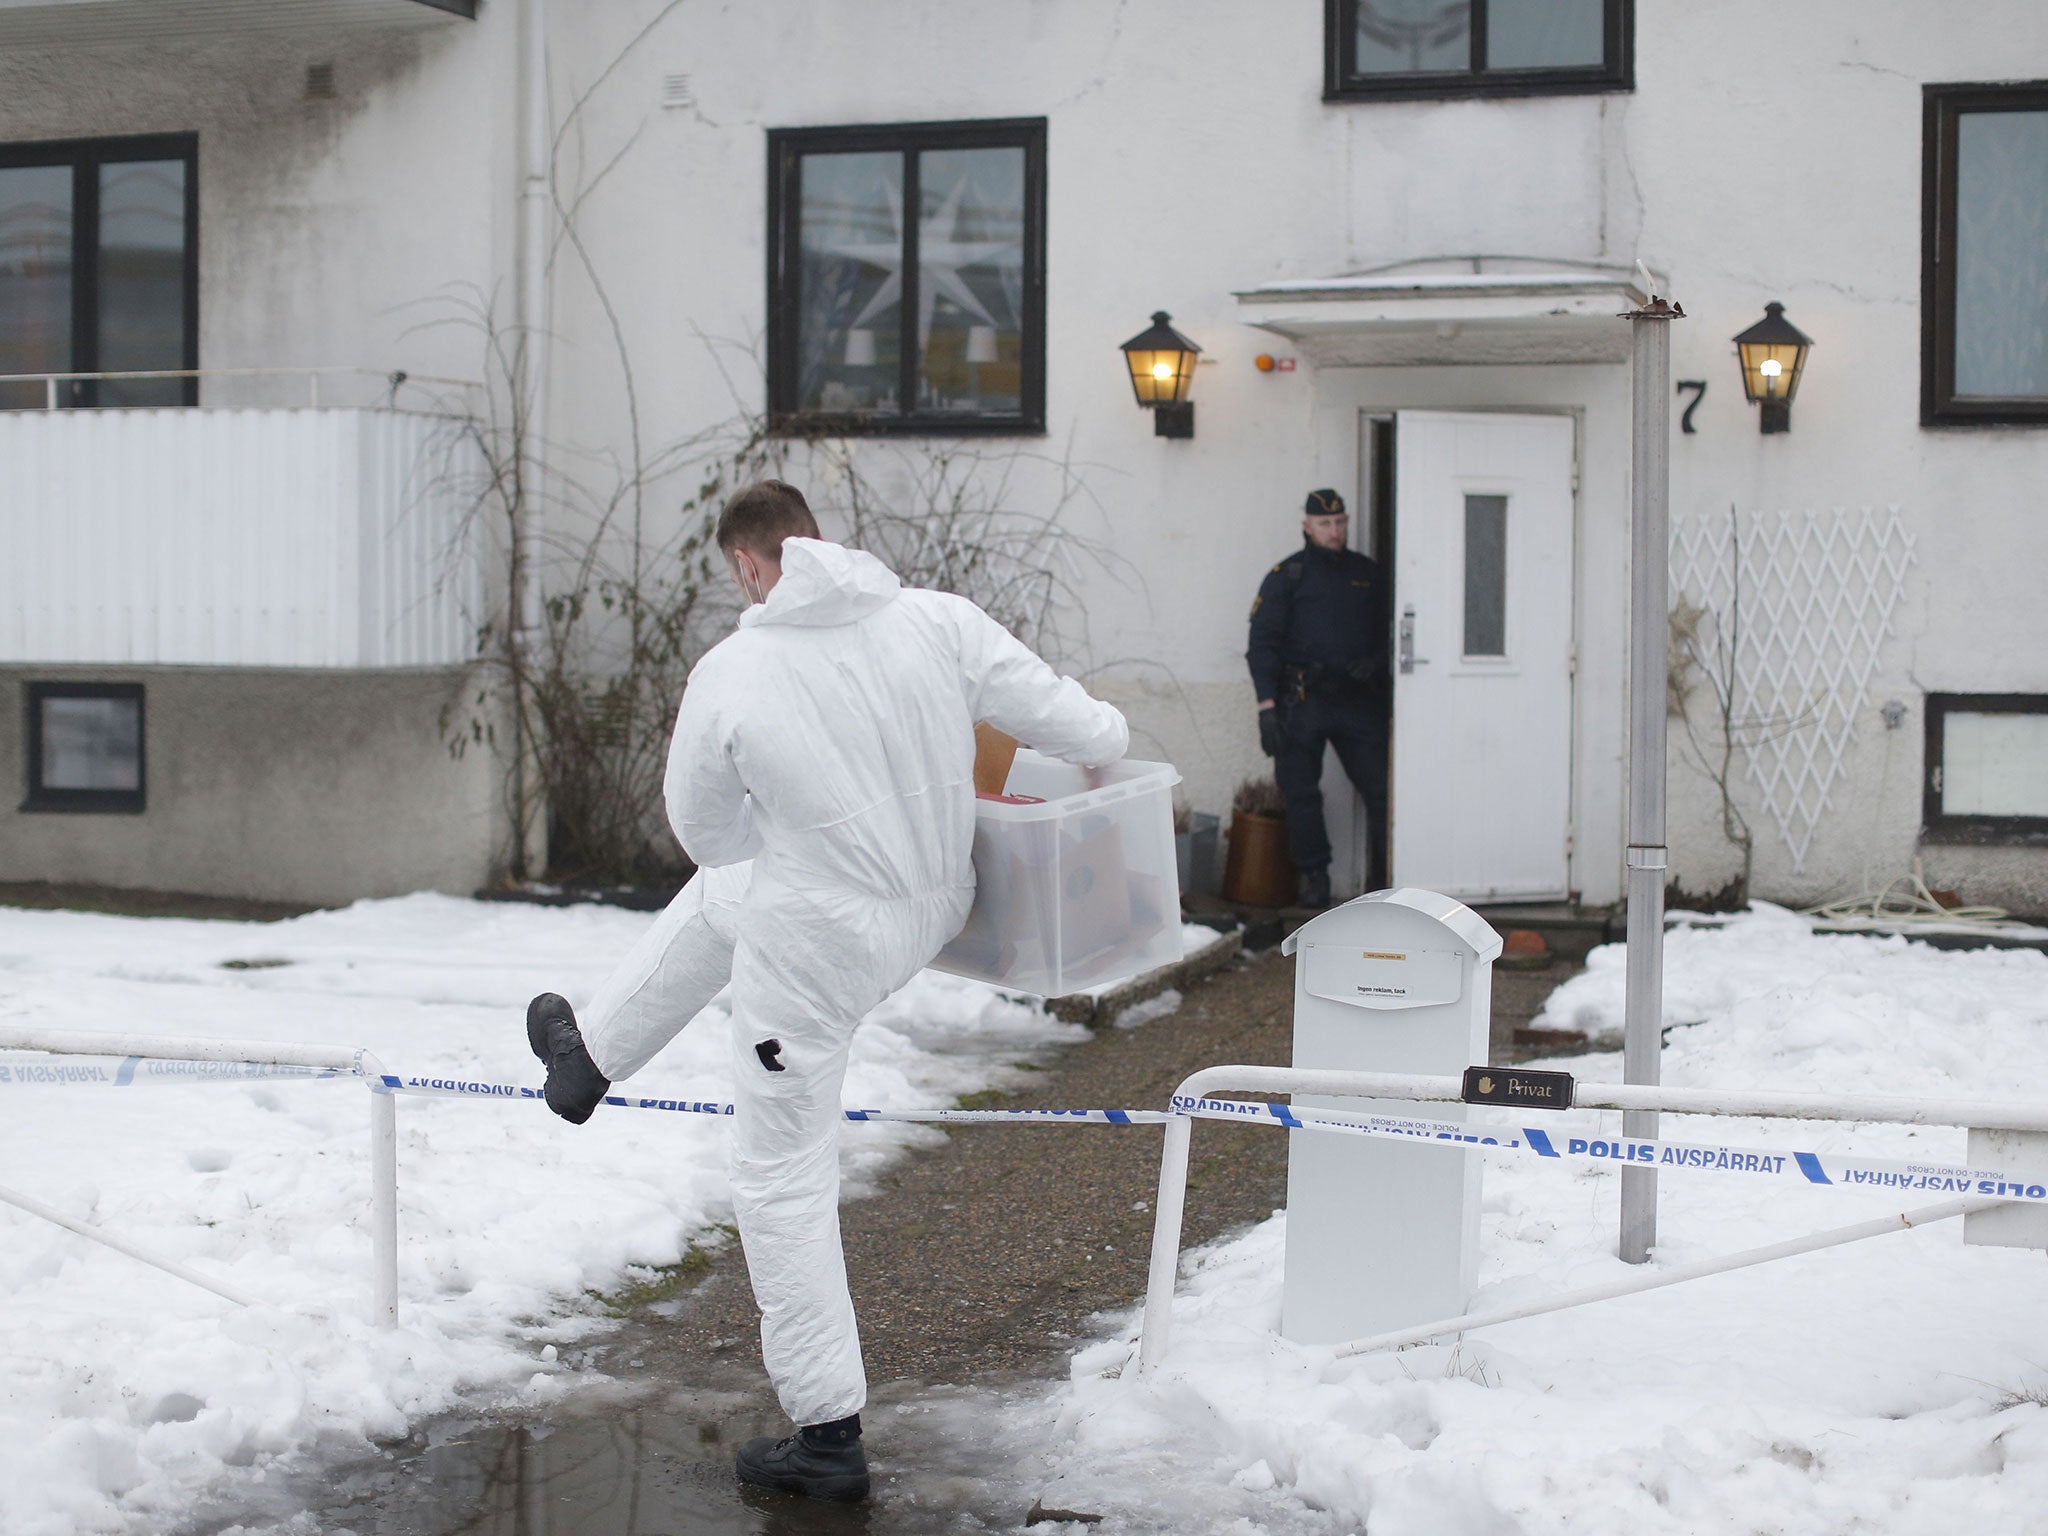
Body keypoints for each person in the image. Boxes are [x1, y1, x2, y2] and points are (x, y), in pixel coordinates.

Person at [524, 479, 1128, 1502]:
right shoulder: (935, 619)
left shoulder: (734, 670)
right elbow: (1092, 732)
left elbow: (705, 831)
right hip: (931, 905)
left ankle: (825, 1437)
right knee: (730, 897)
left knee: (779, 1180)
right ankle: (587, 1055)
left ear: (753, 564)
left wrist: (804, 832)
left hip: (814, 959)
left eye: (736, 576)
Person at [1245, 487, 1391, 909]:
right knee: (1300, 791)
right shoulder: (1287, 575)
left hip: (1356, 699)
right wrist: (1266, 707)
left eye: (1340, 522)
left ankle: (1387, 879)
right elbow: (1262, 645)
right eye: (1325, 524)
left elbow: (1393, 631)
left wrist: (1376, 663)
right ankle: (1314, 879)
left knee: (1381, 789)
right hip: (1302, 699)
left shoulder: (1366, 573)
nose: (1335, 530)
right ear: (1307, 527)